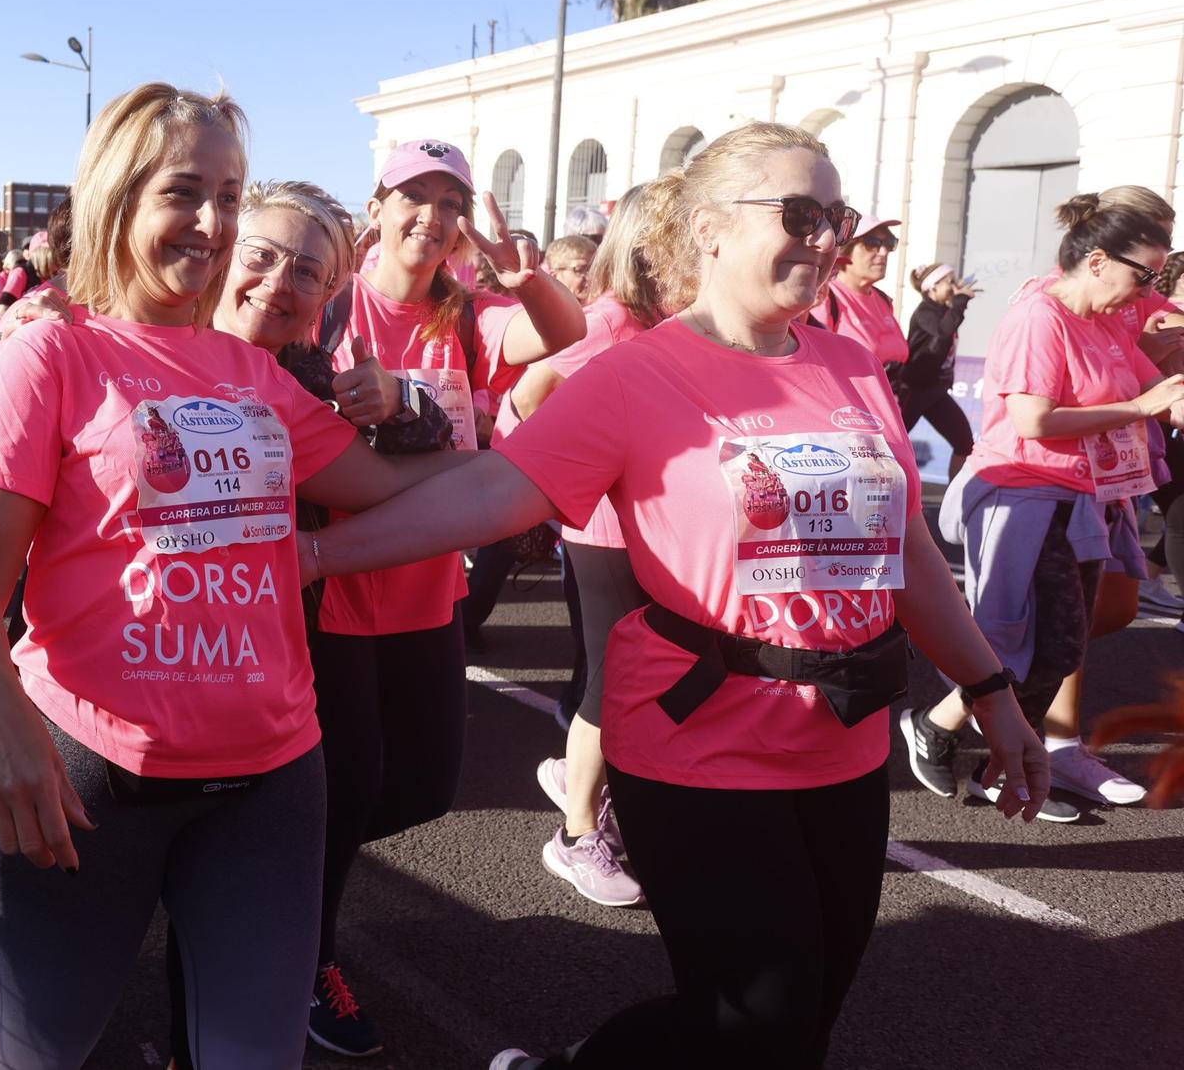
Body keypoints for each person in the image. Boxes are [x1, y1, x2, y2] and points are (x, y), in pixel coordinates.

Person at [303, 122, 1048, 1069]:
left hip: (846, 741)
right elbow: (490, 491)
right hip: (698, 736)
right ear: (708, 229)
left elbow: (902, 549)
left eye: (838, 216)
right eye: (800, 213)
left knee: (808, 1015)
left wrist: (989, 691)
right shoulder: (636, 374)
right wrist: (321, 559)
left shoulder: (853, 366)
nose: (825, 238)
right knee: (757, 1015)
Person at [0, 85, 479, 1070]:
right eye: (186, 192)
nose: (215, 223)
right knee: (39, 1043)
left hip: (270, 774)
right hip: (87, 769)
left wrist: (483, 430)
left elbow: (393, 488)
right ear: (119, 198)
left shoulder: (253, 372)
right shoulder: (53, 354)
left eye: (228, 195)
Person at [306, 139, 584, 1056]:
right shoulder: (332, 307)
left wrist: (526, 272)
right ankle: (307, 956)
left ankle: (275, 860)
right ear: (378, 202)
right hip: (334, 585)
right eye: (415, 197)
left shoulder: (468, 314)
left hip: (428, 589)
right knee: (345, 794)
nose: (431, 217)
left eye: (449, 201)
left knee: (422, 786)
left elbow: (566, 332)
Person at [905, 193, 1183, 818]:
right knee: (1024, 642)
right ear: (1097, 261)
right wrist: (1146, 407)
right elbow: (1033, 419)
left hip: (1084, 497)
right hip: (1023, 493)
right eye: (1144, 275)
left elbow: (1151, 380)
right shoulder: (1041, 317)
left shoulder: (1107, 318)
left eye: (1157, 280)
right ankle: (987, 753)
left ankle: (968, 741)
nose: (1148, 293)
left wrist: (1164, 395)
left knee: (1060, 647)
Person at [506, 183, 666, 910]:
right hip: (604, 532)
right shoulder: (609, 319)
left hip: (659, 532)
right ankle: (575, 832)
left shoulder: (680, 321)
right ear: (647, 246)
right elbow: (527, 397)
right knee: (611, 681)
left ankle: (590, 787)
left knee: (648, 678)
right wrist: (577, 480)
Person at [898, 262, 978, 478]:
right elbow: (944, 331)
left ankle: (954, 504)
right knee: (892, 444)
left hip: (935, 391)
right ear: (931, 288)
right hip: (914, 389)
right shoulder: (925, 312)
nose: (953, 287)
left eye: (954, 281)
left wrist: (959, 300)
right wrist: (960, 300)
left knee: (964, 443)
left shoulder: (944, 310)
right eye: (948, 282)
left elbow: (950, 323)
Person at [810, 216, 906, 372]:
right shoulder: (826, 296)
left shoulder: (883, 299)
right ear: (846, 250)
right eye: (872, 243)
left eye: (889, 243)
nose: (883, 252)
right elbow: (816, 361)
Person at [543, 234, 597, 304]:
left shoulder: (600, 310)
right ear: (554, 276)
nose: (590, 277)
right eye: (580, 270)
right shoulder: (540, 312)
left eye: (593, 269)